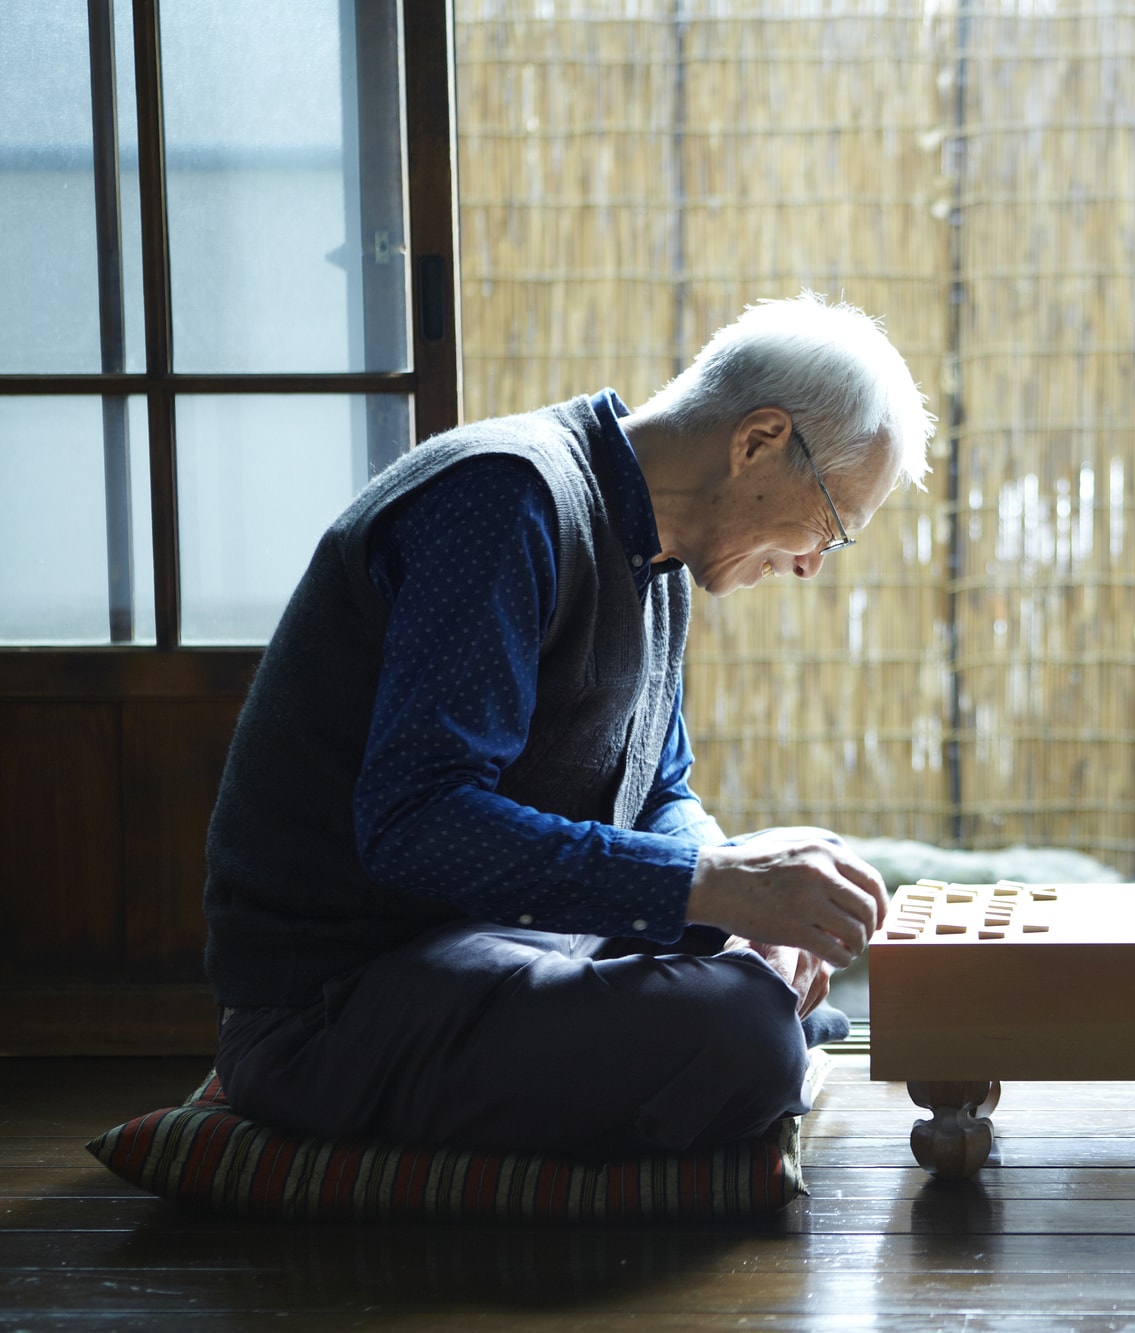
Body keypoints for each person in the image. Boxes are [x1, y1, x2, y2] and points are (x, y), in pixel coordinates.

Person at [203, 293, 932, 1156]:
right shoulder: (504, 500)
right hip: (335, 1001)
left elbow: (660, 791)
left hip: (510, 940)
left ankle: (738, 1010)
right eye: (832, 520)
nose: (813, 562)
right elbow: (415, 825)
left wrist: (742, 910)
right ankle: (745, 1035)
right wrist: (710, 886)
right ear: (758, 440)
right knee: (743, 1033)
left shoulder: (657, 557)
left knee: (781, 906)